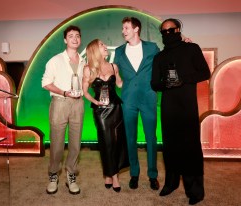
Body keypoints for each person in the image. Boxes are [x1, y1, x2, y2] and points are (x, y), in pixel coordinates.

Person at [151, 18, 211, 205]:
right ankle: (171, 183)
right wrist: (166, 84)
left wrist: (184, 79)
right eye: (164, 32)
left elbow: (205, 73)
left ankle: (195, 190)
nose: (167, 34)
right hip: (169, 108)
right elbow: (154, 84)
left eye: (171, 30)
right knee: (170, 147)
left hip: (188, 107)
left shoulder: (191, 49)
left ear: (178, 30)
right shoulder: (159, 57)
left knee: (191, 147)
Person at [113, 17, 160, 190]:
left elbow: (163, 62)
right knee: (130, 138)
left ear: (136, 29)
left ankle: (153, 175)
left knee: (151, 139)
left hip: (148, 99)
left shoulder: (152, 48)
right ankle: (134, 173)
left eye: (126, 28)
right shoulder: (118, 51)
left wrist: (184, 43)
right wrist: (117, 79)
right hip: (128, 100)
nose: (123, 31)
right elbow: (114, 73)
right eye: (123, 28)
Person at [42, 25, 85, 195]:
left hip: (78, 104)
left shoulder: (83, 61)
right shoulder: (55, 60)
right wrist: (64, 92)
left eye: (77, 35)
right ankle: (53, 175)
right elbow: (45, 83)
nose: (75, 38)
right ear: (65, 40)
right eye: (71, 36)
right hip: (60, 103)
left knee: (75, 144)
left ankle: (71, 175)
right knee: (57, 144)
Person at [82, 39, 129, 193]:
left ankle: (110, 175)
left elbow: (120, 84)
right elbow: (84, 92)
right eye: (102, 45)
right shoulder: (88, 69)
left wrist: (134, 77)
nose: (105, 46)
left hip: (116, 107)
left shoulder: (113, 66)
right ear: (95, 49)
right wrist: (95, 101)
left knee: (117, 141)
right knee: (106, 142)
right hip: (100, 111)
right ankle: (113, 175)